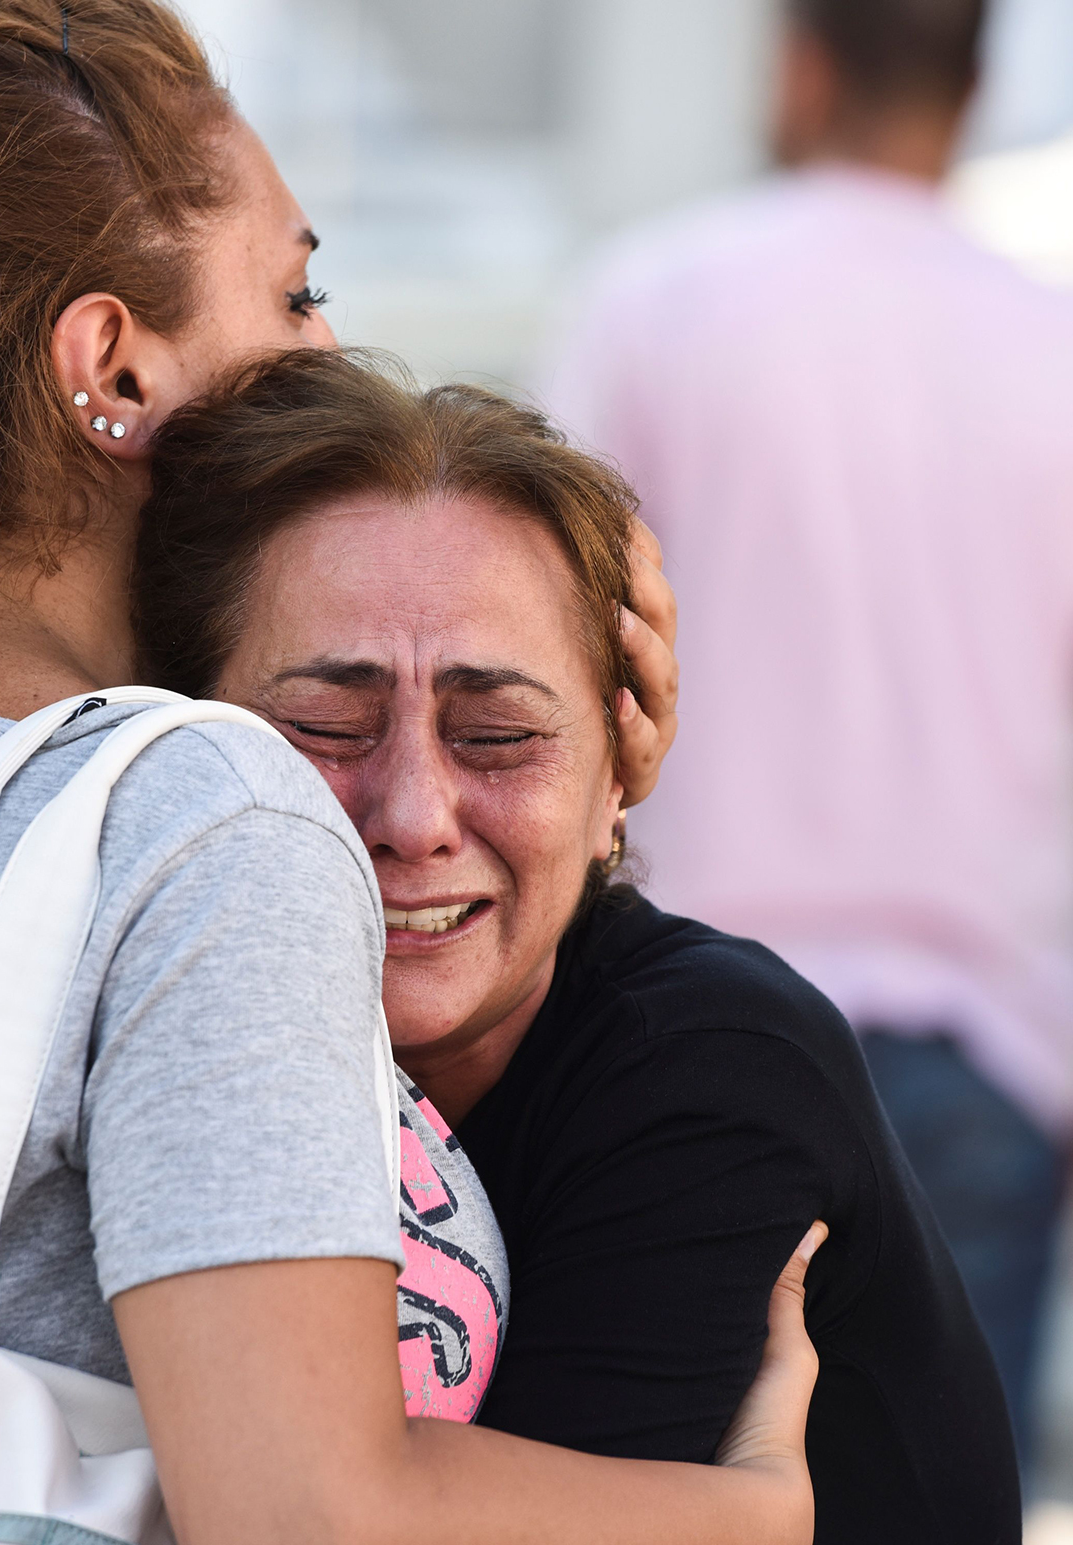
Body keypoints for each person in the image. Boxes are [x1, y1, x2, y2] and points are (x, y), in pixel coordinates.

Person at [0, 3, 820, 1542]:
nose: (331, 353)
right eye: (296, 293)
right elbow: (307, 1511)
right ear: (110, 364)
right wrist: (756, 1512)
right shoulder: (197, 814)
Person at [133, 345, 1022, 1545]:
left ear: (623, 765)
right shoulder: (166, 1027)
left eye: (497, 736)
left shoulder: (712, 1071)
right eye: (326, 726)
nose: (412, 817)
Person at [543, 0, 1073, 1471]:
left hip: (683, 1031)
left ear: (802, 65)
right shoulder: (1059, 350)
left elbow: (541, 654)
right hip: (989, 1054)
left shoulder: (654, 301)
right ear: (973, 89)